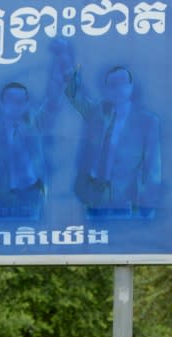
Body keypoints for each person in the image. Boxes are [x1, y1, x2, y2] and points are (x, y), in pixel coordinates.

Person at [58, 41, 163, 219]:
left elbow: (152, 167)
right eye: (112, 84)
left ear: (131, 87)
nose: (118, 88)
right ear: (106, 89)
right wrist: (69, 69)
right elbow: (73, 95)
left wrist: (148, 202)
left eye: (123, 83)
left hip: (126, 200)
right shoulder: (96, 112)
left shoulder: (147, 122)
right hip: (94, 197)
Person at [0, 41, 67, 221]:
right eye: (12, 101)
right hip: (0, 201)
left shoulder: (34, 127)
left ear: (26, 104)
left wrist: (59, 63)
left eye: (21, 102)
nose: (16, 106)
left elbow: (53, 98)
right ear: (2, 104)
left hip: (31, 199)